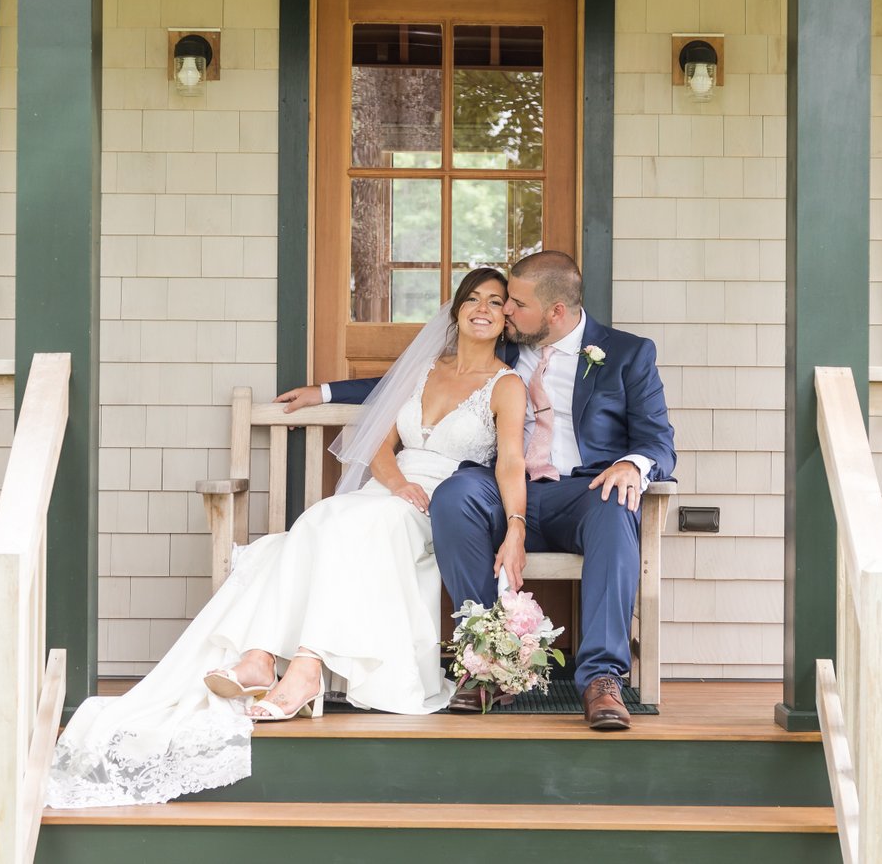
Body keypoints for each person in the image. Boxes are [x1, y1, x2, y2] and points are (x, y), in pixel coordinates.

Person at [45, 269, 526, 808]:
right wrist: (396, 483)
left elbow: (510, 462)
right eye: (473, 299)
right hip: (393, 489)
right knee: (319, 519)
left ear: (507, 316)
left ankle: (301, 667)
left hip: (440, 504)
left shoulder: (506, 385)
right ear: (457, 310)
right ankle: (265, 660)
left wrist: (514, 525)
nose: (482, 308)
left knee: (347, 528)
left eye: (496, 301)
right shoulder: (422, 372)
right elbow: (381, 447)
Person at [278, 251, 676, 730]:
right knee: (454, 494)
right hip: (502, 487)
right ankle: (483, 662)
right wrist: (323, 393)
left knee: (616, 505)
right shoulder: (506, 349)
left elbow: (658, 441)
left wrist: (634, 465)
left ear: (555, 312)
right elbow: (410, 384)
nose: (504, 311)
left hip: (582, 493)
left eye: (515, 304)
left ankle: (601, 679)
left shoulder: (628, 354)